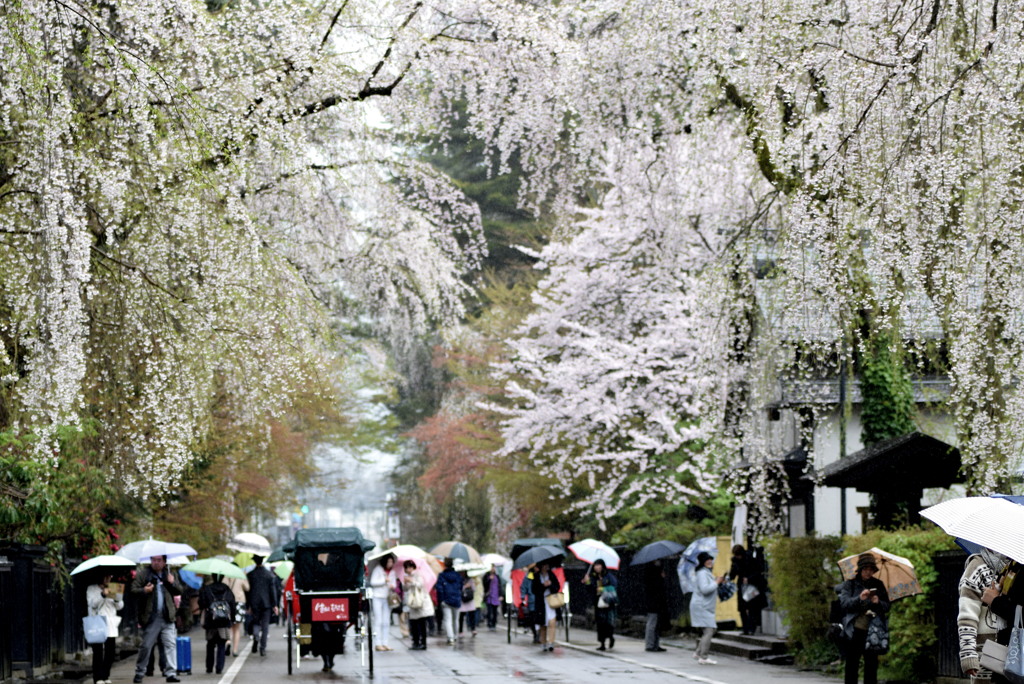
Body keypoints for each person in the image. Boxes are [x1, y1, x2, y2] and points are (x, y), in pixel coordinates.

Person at [959, 548, 1011, 681]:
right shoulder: (977, 566)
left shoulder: (1015, 567)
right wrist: (968, 654)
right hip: (986, 652)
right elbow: (967, 615)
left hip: (1013, 650)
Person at [131, 554, 183, 683]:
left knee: (170, 645)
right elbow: (133, 589)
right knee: (146, 646)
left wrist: (172, 582)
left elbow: (179, 591)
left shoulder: (170, 574)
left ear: (165, 562)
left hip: (168, 616)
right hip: (151, 617)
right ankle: (140, 672)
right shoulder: (144, 574)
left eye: (159, 560)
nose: (156, 563)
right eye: (153, 560)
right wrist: (144, 590)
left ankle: (171, 673)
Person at [839, 554, 890, 684]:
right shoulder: (850, 584)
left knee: (871, 665)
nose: (868, 572)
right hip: (854, 630)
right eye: (865, 569)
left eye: (871, 569)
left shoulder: (878, 585)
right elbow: (844, 604)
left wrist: (877, 602)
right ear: (860, 569)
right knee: (852, 664)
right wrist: (859, 598)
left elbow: (887, 606)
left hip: (873, 631)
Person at [980, 557, 1024, 684]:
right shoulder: (1014, 564)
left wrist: (996, 602)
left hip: (1018, 656)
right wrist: (997, 593)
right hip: (1009, 656)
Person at [87, 574, 123, 684]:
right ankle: (97, 678)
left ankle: (105, 675)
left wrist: (117, 599)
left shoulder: (114, 587)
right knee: (97, 651)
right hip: (97, 622)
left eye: (110, 577)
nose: (109, 579)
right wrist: (103, 594)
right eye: (106, 577)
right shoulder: (92, 588)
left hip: (110, 623)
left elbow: (120, 606)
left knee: (110, 652)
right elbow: (92, 604)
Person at [198, 573, 236, 675]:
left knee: (210, 644)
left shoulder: (207, 588)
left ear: (212, 577)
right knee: (221, 644)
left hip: (211, 619)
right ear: (223, 577)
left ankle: (209, 667)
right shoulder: (227, 589)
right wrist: (232, 619)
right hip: (223, 621)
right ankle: (219, 667)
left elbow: (201, 603)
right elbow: (232, 604)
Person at [690, 551, 723, 665]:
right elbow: (705, 589)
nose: (710, 561)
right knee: (709, 630)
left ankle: (698, 653)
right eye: (707, 560)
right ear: (702, 562)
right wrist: (716, 582)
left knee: (710, 630)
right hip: (701, 606)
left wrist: (717, 581)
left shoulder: (705, 572)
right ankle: (703, 657)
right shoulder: (702, 573)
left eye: (710, 559)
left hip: (704, 606)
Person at [245, 554, 279, 657]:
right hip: (266, 603)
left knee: (256, 622)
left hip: (254, 603)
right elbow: (272, 591)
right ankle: (263, 648)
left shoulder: (250, 575)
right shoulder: (269, 575)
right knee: (265, 626)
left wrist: (248, 605)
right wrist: (275, 605)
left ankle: (255, 636)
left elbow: (248, 591)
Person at [729, 544, 768, 635]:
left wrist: (749, 579)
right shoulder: (735, 561)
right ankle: (745, 628)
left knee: (752, 607)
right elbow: (733, 574)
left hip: (752, 586)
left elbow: (758, 571)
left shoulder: (751, 558)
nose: (737, 557)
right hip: (742, 586)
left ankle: (751, 628)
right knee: (742, 608)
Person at [582, 559, 617, 651]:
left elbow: (614, 586)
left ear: (602, 566)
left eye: (598, 565)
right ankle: (602, 643)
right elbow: (590, 590)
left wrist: (603, 589)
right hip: (598, 603)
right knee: (600, 623)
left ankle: (610, 637)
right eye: (595, 565)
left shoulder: (608, 576)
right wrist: (588, 582)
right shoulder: (593, 577)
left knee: (608, 622)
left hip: (608, 603)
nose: (597, 567)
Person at [402, 560, 432, 650]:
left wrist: (412, 581)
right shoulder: (406, 577)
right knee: (413, 624)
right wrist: (406, 583)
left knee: (422, 624)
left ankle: (423, 643)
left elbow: (421, 585)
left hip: (420, 603)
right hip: (412, 603)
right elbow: (405, 589)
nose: (408, 569)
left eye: (410, 567)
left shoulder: (418, 574)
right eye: (406, 567)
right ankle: (415, 642)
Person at [531, 561, 560, 652]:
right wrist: (543, 586)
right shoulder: (536, 576)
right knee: (543, 623)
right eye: (543, 565)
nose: (545, 567)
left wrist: (551, 585)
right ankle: (543, 642)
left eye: (547, 565)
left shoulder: (551, 575)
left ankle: (551, 642)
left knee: (552, 622)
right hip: (541, 603)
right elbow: (534, 590)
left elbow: (557, 586)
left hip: (551, 601)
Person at [369, 553, 396, 651]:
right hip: (377, 597)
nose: (390, 564)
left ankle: (385, 642)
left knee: (386, 621)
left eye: (392, 562)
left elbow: (393, 583)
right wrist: (384, 580)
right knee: (378, 620)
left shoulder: (392, 572)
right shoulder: (378, 569)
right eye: (389, 561)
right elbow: (373, 582)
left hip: (387, 597)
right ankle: (378, 643)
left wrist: (392, 585)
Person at [435, 557, 462, 645]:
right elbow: (461, 586)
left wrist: (441, 599)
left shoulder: (442, 575)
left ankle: (450, 637)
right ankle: (455, 635)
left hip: (446, 600)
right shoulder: (458, 576)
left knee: (448, 619)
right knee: (456, 619)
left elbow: (439, 588)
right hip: (456, 599)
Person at [643, 558, 668, 652]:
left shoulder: (658, 569)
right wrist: (660, 577)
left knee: (657, 623)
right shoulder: (650, 570)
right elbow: (653, 586)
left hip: (658, 601)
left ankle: (655, 644)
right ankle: (650, 644)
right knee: (652, 623)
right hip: (652, 601)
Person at [223, 567, 249, 657]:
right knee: (237, 628)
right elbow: (247, 588)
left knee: (229, 626)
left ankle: (228, 642)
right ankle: (235, 650)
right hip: (239, 602)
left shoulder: (226, 576)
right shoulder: (241, 575)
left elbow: (223, 587)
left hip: (228, 603)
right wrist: (244, 578)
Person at [520, 568, 539, 643]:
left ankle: (539, 634)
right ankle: (535, 634)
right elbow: (524, 587)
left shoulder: (541, 575)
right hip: (532, 600)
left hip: (540, 600)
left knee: (539, 618)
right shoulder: (529, 576)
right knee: (532, 618)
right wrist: (523, 596)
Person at [459, 571, 479, 636]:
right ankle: (460, 630)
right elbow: (458, 589)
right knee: (461, 616)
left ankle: (473, 629)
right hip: (462, 600)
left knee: (472, 615)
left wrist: (471, 585)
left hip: (470, 600)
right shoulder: (458, 579)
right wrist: (464, 586)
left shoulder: (470, 580)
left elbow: (474, 589)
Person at [482, 565, 502, 630]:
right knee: (489, 611)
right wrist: (489, 580)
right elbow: (484, 585)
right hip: (489, 596)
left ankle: (494, 623)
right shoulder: (486, 576)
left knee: (495, 612)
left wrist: (501, 595)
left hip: (496, 596)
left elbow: (500, 587)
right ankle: (489, 623)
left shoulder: (497, 576)